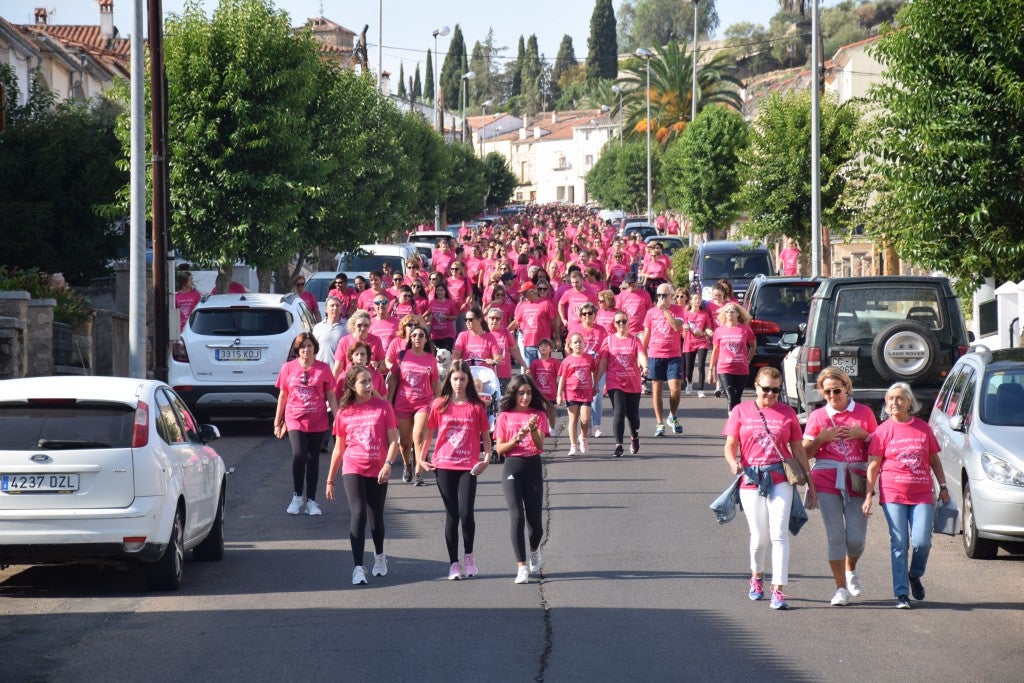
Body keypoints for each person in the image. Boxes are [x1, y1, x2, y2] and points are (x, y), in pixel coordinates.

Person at [723, 367, 817, 611]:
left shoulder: (787, 413)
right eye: (766, 390)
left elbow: (797, 449)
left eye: (776, 390)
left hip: (780, 477)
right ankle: (756, 575)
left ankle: (779, 589)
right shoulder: (740, 411)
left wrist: (810, 481)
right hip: (751, 478)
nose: (771, 395)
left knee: (779, 535)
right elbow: (730, 445)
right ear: (756, 386)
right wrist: (733, 462)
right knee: (759, 537)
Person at [862, 382, 950, 610]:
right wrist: (869, 495)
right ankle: (901, 594)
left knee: (922, 542)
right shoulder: (883, 431)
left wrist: (943, 486)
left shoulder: (922, 428)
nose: (894, 403)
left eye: (900, 398)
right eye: (890, 399)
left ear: (909, 402)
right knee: (899, 543)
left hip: (922, 494)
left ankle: (915, 574)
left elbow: (934, 460)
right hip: (893, 494)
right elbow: (873, 466)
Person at [803, 367, 878, 606]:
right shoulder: (817, 417)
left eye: (837, 390)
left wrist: (863, 434)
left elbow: (878, 450)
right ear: (822, 393)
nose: (833, 396)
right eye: (827, 392)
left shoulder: (864, 412)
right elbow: (804, 454)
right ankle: (840, 589)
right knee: (835, 536)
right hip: (825, 478)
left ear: (847, 387)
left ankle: (850, 568)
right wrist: (821, 439)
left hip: (856, 477)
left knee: (856, 540)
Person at [326, 366, 400, 585]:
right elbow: (339, 448)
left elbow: (394, 440)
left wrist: (388, 464)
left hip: (378, 468)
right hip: (353, 467)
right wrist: (330, 479)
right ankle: (358, 567)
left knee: (376, 517)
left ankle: (379, 556)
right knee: (358, 514)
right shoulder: (344, 412)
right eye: (363, 382)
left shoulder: (383, 407)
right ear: (352, 385)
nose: (369, 386)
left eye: (370, 381)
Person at [420, 361, 493, 580]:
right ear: (449, 380)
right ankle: (454, 564)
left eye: (462, 379)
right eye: (455, 379)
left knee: (466, 513)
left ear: (468, 380)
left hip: (467, 466)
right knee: (451, 515)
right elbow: (430, 433)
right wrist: (422, 459)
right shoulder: (439, 405)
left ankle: (469, 557)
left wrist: (486, 460)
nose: (459, 383)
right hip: (443, 464)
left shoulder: (476, 407)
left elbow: (486, 439)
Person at [494, 375, 551, 584]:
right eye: (521, 393)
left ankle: (534, 549)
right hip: (512, 466)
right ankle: (521, 567)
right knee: (516, 516)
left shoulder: (538, 414)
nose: (525, 397)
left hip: (533, 465)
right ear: (513, 393)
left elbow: (539, 446)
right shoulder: (504, 417)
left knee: (535, 524)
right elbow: (499, 449)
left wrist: (534, 429)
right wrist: (516, 438)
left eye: (528, 393)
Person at [274, 332, 338, 516]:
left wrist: (339, 420)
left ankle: (311, 500)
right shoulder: (287, 368)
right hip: (294, 419)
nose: (306, 350)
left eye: (310, 346)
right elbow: (283, 396)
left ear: (315, 348)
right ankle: (297, 496)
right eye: (303, 347)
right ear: (297, 349)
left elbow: (331, 396)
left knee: (313, 459)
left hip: (317, 420)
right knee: (299, 454)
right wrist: (277, 421)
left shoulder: (323, 369)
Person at [386, 324, 439, 487]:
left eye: (421, 335)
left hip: (424, 403)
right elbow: (394, 380)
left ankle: (418, 473)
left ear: (426, 339)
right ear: (410, 338)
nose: (417, 338)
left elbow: (435, 384)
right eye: (414, 335)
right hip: (403, 403)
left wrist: (440, 403)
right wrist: (388, 402)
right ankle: (407, 465)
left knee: (419, 436)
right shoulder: (401, 356)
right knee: (405, 441)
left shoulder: (430, 358)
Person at [597, 310, 648, 457]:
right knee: (619, 411)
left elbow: (641, 355)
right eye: (618, 322)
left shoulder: (634, 340)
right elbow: (603, 363)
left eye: (623, 321)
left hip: (633, 382)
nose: (621, 324)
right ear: (614, 324)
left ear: (628, 323)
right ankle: (619, 445)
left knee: (633, 416)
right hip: (615, 381)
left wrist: (645, 367)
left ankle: (635, 437)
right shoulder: (608, 340)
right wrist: (596, 383)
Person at [641, 282, 685, 436]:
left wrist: (666, 310)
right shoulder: (651, 313)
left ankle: (672, 416)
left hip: (673, 355)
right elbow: (646, 335)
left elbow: (675, 327)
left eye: (664, 295)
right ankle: (659, 422)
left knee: (675, 389)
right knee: (657, 391)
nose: (660, 298)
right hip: (655, 354)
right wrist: (641, 358)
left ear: (671, 296)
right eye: (658, 295)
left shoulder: (678, 309)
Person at [710, 303, 756, 412]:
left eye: (732, 311)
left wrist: (748, 359)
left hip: (741, 369)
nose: (729, 313)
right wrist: (711, 369)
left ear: (738, 314)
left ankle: (736, 418)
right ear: (724, 314)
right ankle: (732, 419)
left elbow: (753, 345)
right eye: (727, 311)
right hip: (724, 368)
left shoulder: (745, 329)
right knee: (730, 395)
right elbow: (715, 351)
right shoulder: (719, 331)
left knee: (737, 397)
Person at [557, 332, 596, 456]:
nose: (578, 344)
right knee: (573, 420)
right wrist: (559, 394)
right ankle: (573, 445)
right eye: (575, 342)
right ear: (570, 345)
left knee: (585, 419)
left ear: (584, 344)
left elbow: (594, 372)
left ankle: (583, 438)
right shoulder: (567, 360)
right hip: (571, 393)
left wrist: (595, 385)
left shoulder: (589, 358)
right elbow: (562, 378)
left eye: (580, 341)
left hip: (586, 393)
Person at [333, 311, 385, 377]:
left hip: (369, 382)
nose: (363, 328)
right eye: (359, 325)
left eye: (366, 325)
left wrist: (377, 364)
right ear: (353, 325)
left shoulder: (376, 340)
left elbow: (383, 366)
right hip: (350, 381)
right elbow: (338, 369)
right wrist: (332, 386)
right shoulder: (344, 341)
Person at [681, 292, 713, 398]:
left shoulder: (704, 314)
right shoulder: (685, 314)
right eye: (695, 298)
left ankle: (700, 389)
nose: (697, 301)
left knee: (701, 366)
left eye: (699, 299)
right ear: (690, 301)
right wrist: (684, 327)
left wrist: (706, 333)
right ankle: (689, 383)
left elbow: (708, 328)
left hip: (701, 343)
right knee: (688, 370)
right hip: (689, 343)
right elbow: (681, 327)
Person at [529, 338, 560, 429]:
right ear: (538, 348)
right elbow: (533, 377)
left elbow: (559, 376)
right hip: (539, 392)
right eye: (541, 346)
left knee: (551, 411)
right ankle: (541, 428)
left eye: (546, 346)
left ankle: (552, 428)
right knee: (540, 411)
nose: (543, 348)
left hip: (551, 392)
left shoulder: (554, 362)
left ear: (551, 349)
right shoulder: (535, 362)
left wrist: (559, 391)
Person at [313, 296, 346, 366]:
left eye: (337, 305)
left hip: (338, 370)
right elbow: (313, 350)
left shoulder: (348, 327)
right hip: (320, 370)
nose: (335, 308)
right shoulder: (317, 327)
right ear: (326, 309)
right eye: (332, 305)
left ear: (341, 309)